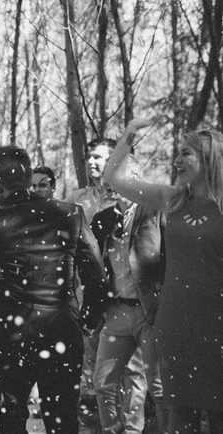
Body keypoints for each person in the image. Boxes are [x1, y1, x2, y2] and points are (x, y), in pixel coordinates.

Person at [0, 146, 109, 434]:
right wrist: (90, 319)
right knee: (62, 419)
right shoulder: (70, 213)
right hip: (62, 330)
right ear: (29, 175)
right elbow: (96, 275)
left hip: (13, 333)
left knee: (12, 419)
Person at [104, 119, 223, 434]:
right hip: (175, 324)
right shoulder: (171, 199)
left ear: (209, 157)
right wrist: (128, 134)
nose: (177, 161)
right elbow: (114, 177)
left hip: (218, 325)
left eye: (186, 154)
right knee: (177, 415)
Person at [66, 137, 148, 419]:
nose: (92, 162)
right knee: (97, 370)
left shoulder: (142, 207)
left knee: (133, 372)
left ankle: (134, 423)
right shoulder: (83, 202)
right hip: (93, 294)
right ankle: (95, 419)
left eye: (100, 158)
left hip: (135, 301)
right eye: (89, 156)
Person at [90, 157, 167, 434]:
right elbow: (95, 266)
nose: (113, 182)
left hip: (150, 312)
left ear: (136, 178)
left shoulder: (155, 213)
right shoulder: (103, 219)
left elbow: (169, 260)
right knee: (103, 384)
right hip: (115, 313)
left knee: (158, 388)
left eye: (120, 175)